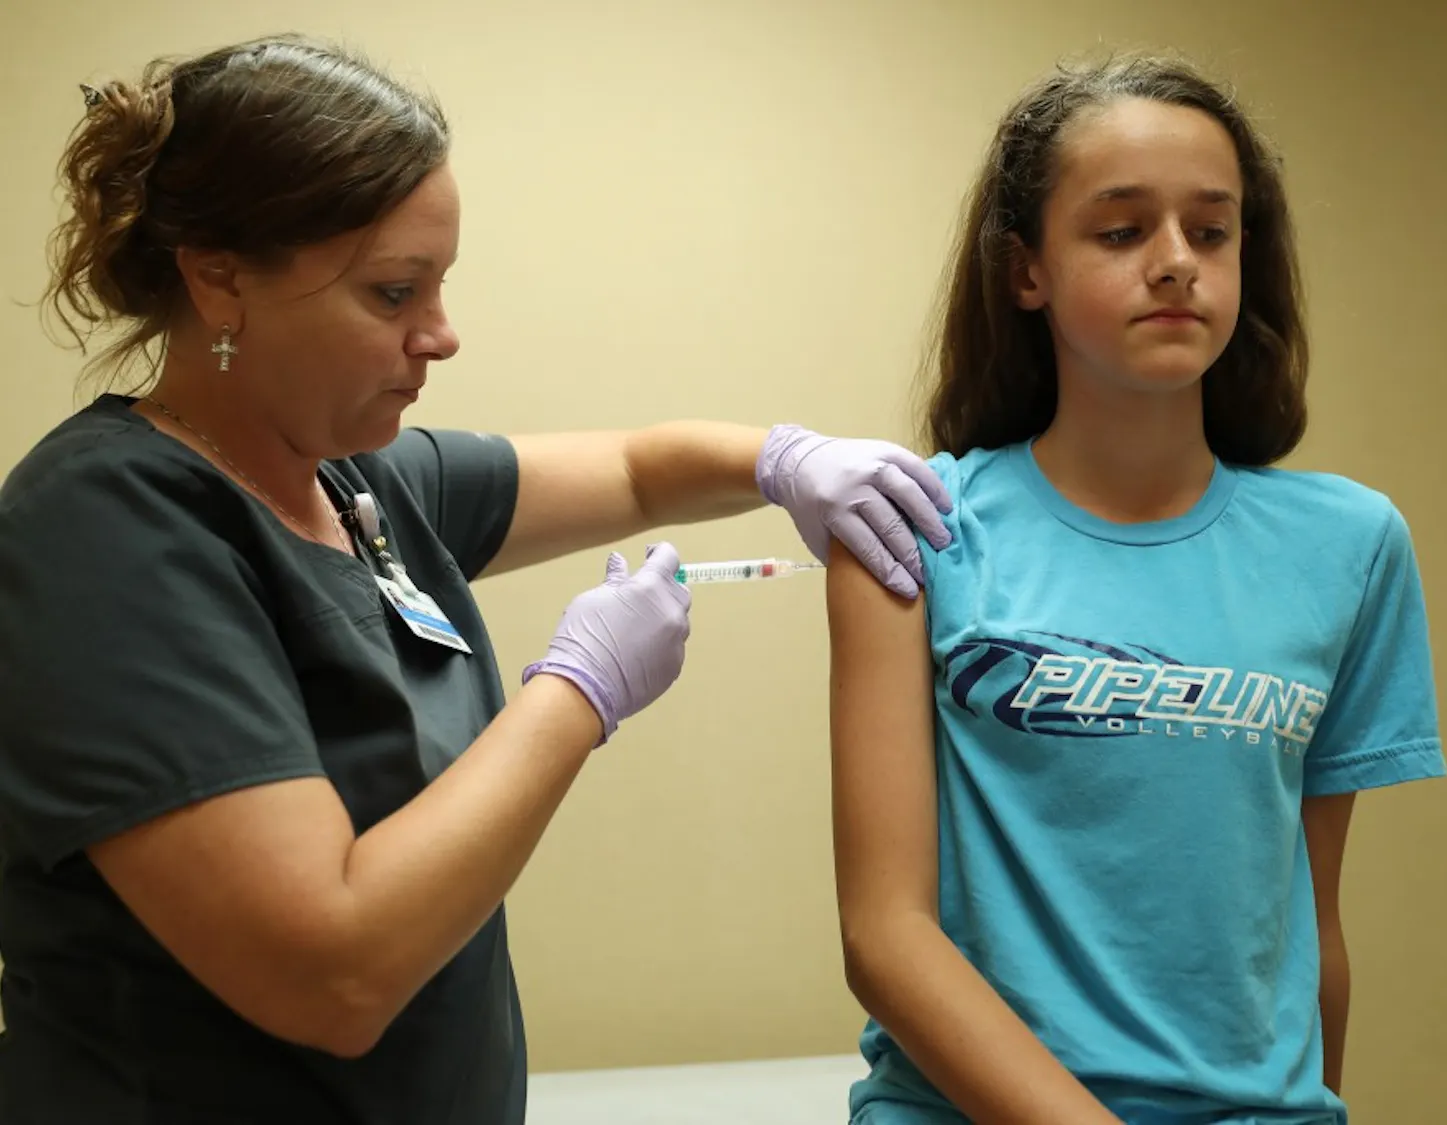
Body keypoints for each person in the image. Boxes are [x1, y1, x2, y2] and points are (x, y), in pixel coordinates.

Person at [0, 35, 955, 1125]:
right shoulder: (107, 527)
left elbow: (640, 472)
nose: (441, 336)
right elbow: (334, 973)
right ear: (218, 277)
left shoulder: (360, 487)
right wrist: (578, 692)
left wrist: (784, 460)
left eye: (439, 285)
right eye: (394, 292)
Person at [826, 54, 1446, 1125]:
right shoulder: (913, 522)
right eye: (1120, 232)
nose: (1175, 263)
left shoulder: (1352, 545)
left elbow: (1309, 923)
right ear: (1027, 271)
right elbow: (886, 937)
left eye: (1211, 231)